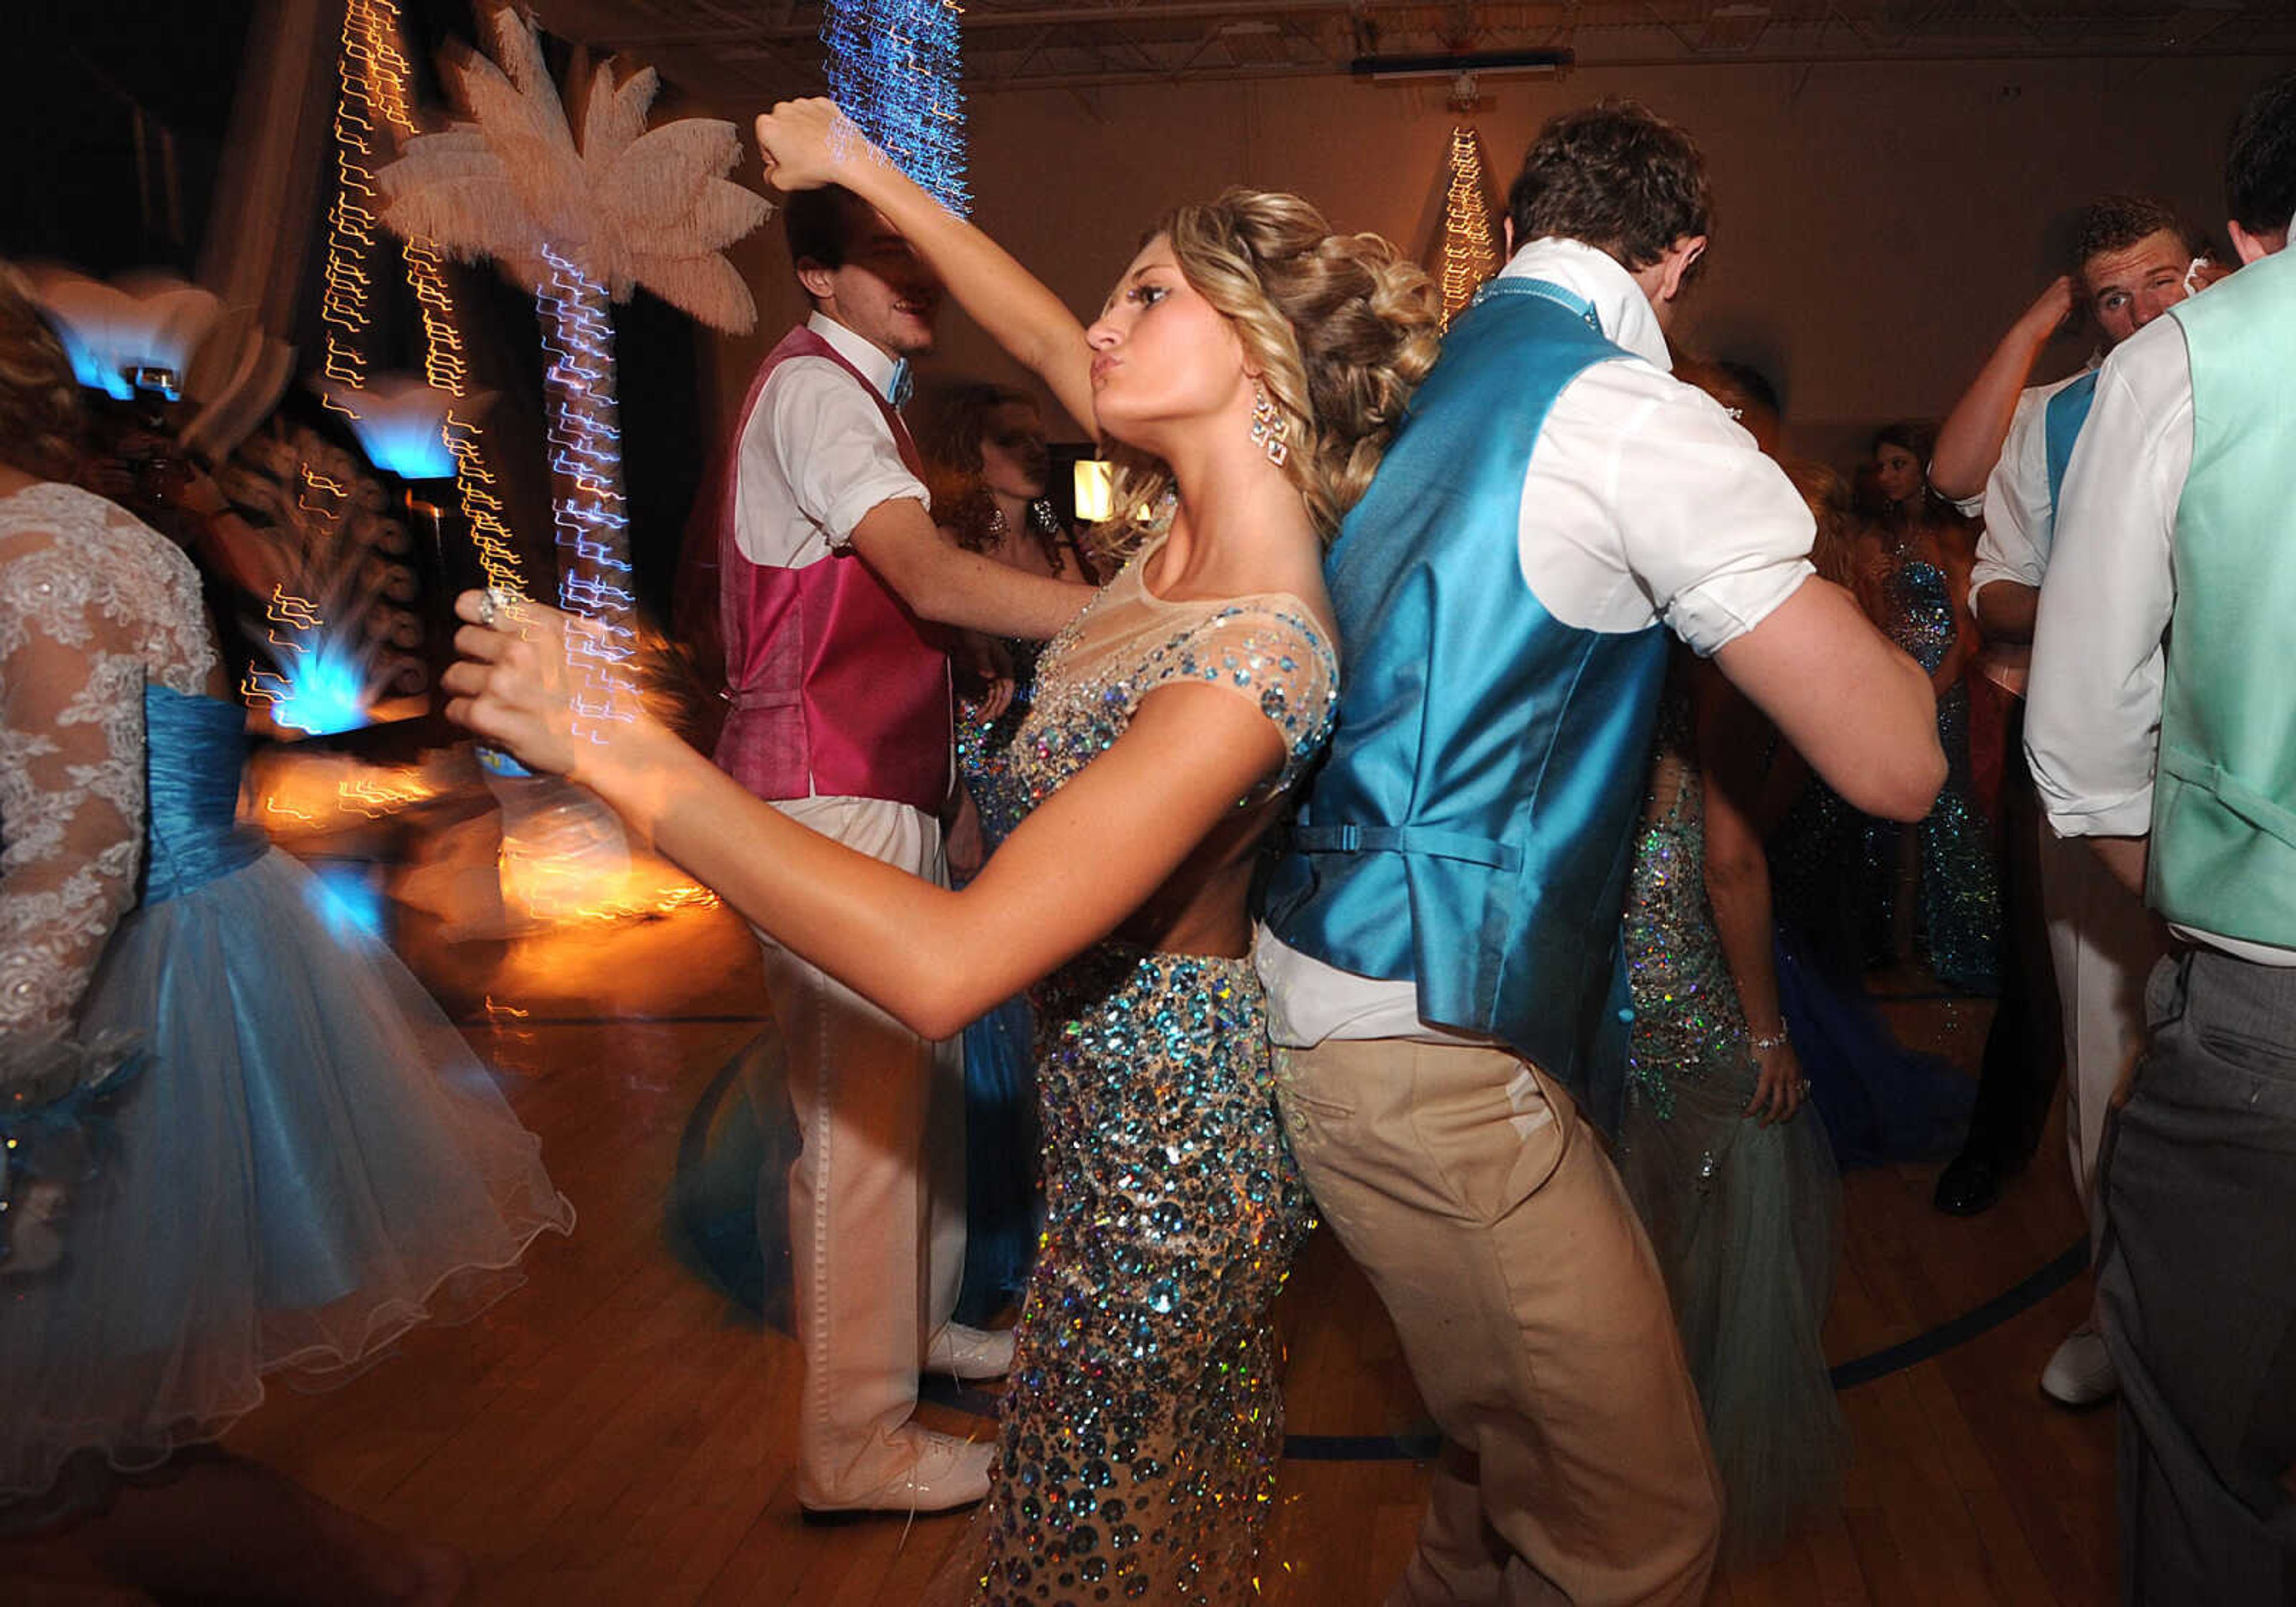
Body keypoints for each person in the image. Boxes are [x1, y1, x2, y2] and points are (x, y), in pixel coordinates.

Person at [449, 97, 1442, 1603]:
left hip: (1169, 1168)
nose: (1095, 324)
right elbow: (1037, 329)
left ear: (1255, 356)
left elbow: (944, 966)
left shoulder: (1255, 656)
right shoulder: (1188, 523)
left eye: (1146, 295)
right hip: (1105, 1131)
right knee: (1074, 1524)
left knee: (1097, 1556)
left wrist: (622, 754)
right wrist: (862, 170)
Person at [1254, 100, 1943, 1605]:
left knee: (1496, 1467)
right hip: (1431, 1034)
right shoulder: (1636, 417)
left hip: (1331, 986)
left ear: (1511, 238)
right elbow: (1895, 767)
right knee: (1642, 1532)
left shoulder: (1416, 386)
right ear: (1677, 258)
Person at [0, 266, 572, 1603]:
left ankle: (390, 1578)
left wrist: (12, 1066)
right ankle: (392, 1578)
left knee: (55, 1466)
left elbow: (82, 845)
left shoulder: (50, 556)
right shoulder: (74, 534)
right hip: (148, 967)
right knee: (72, 1457)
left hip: (107, 1008)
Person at [685, 185, 1095, 1518]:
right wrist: (1132, 615)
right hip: (824, 789)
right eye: (880, 255)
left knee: (893, 1103)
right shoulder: (814, 394)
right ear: (814, 275)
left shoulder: (864, 403)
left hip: (869, 788)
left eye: (923, 255)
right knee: (858, 1126)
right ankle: (852, 1447)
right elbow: (927, 579)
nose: (914, 278)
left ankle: (913, 1339)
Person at [2025, 71, 2296, 1603]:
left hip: (2266, 1011)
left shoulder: (2189, 366)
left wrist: (2205, 901)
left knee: (2203, 1458)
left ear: (2245, 238)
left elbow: (2074, 740)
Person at [1925, 204, 2198, 1395]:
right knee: (2104, 1057)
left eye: (2162, 281)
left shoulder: (2264, 376)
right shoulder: (2054, 421)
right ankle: (2119, 1321)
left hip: (2250, 773)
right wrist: (2113, 588)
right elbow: (1994, 598)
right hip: (2104, 779)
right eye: (2113, 298)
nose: (2145, 312)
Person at [915, 380, 1097, 1322]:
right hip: (994, 787)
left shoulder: (1065, 539)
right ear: (968, 450)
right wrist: (960, 804)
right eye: (1008, 435)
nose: (1033, 446)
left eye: (1036, 433)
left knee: (1067, 1014)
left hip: (1075, 791)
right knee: (1002, 1023)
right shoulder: (953, 553)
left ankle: (1072, 1233)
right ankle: (995, 1256)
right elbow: (955, 685)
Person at [1864, 420, 2001, 994]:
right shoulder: (1874, 538)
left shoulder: (1948, 536)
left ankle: (1963, 947)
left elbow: (1968, 629)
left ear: (1922, 467)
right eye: (1881, 466)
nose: (1887, 476)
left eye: (1898, 463)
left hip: (1941, 687)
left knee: (1948, 816)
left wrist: (1931, 688)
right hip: (1890, 687)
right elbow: (1870, 622)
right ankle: (1891, 943)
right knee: (1884, 816)